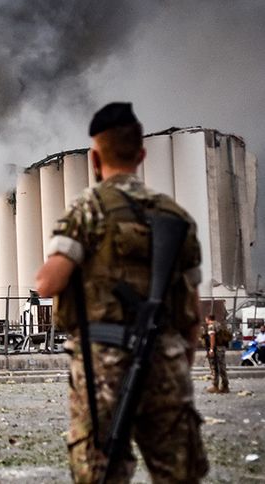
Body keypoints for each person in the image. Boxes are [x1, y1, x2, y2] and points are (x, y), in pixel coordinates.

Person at [35, 102, 208, 483]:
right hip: (164, 357)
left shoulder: (89, 209)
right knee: (179, 472)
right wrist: (178, 359)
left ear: (95, 158)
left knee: (101, 470)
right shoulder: (176, 216)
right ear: (142, 154)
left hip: (104, 365)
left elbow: (48, 283)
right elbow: (193, 310)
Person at [204, 315, 229, 393]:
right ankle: (225, 386)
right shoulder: (219, 325)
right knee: (222, 367)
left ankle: (215, 386)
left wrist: (211, 349)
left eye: (206, 320)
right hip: (222, 348)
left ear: (208, 319)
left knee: (214, 367)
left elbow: (212, 337)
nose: (206, 321)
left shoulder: (211, 326)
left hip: (216, 349)